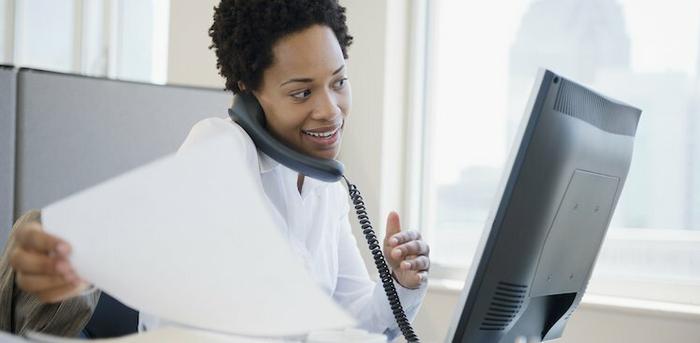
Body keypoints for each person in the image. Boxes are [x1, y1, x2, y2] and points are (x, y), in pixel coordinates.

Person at [0, 0, 430, 339]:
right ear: (249, 90)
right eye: (301, 93)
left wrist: (400, 283)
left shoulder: (325, 184)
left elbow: (353, 316)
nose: (330, 110)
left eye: (338, 82)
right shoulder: (218, 150)